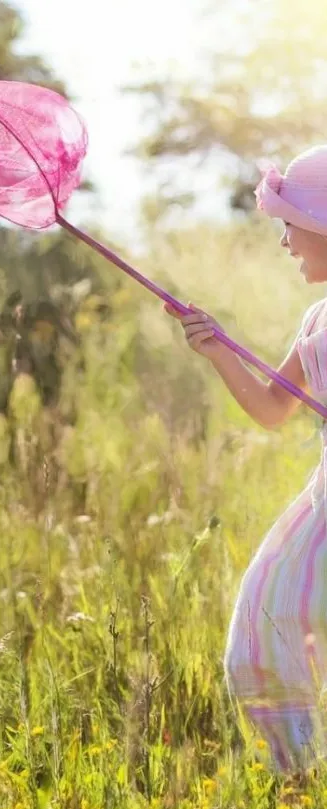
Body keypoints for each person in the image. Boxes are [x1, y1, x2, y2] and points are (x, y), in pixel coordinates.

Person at [165, 145, 327, 773]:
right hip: (320, 504)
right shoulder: (316, 317)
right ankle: (300, 778)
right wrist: (218, 349)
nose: (285, 242)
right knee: (264, 623)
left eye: (291, 225)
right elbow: (271, 409)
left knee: (288, 614)